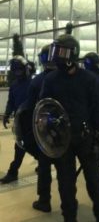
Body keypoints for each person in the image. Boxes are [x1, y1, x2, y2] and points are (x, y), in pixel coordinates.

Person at [40, 28, 99, 222]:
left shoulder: (89, 79)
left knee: (94, 180)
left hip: (85, 137)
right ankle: (69, 217)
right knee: (66, 182)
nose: (57, 57)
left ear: (72, 53)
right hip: (62, 140)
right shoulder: (51, 79)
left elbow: (97, 108)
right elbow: (44, 108)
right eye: (56, 52)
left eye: (61, 52)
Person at [0, 34, 33, 184]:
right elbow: (11, 101)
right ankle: (13, 172)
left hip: (34, 119)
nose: (18, 73)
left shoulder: (34, 84)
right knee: (19, 147)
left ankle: (45, 166)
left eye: (20, 70)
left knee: (39, 147)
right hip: (21, 120)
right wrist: (7, 114)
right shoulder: (14, 85)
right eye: (16, 71)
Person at [28, 44, 56, 213]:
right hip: (64, 130)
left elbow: (30, 107)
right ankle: (69, 203)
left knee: (44, 166)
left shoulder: (37, 81)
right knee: (65, 168)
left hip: (44, 129)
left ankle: (44, 200)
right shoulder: (66, 77)